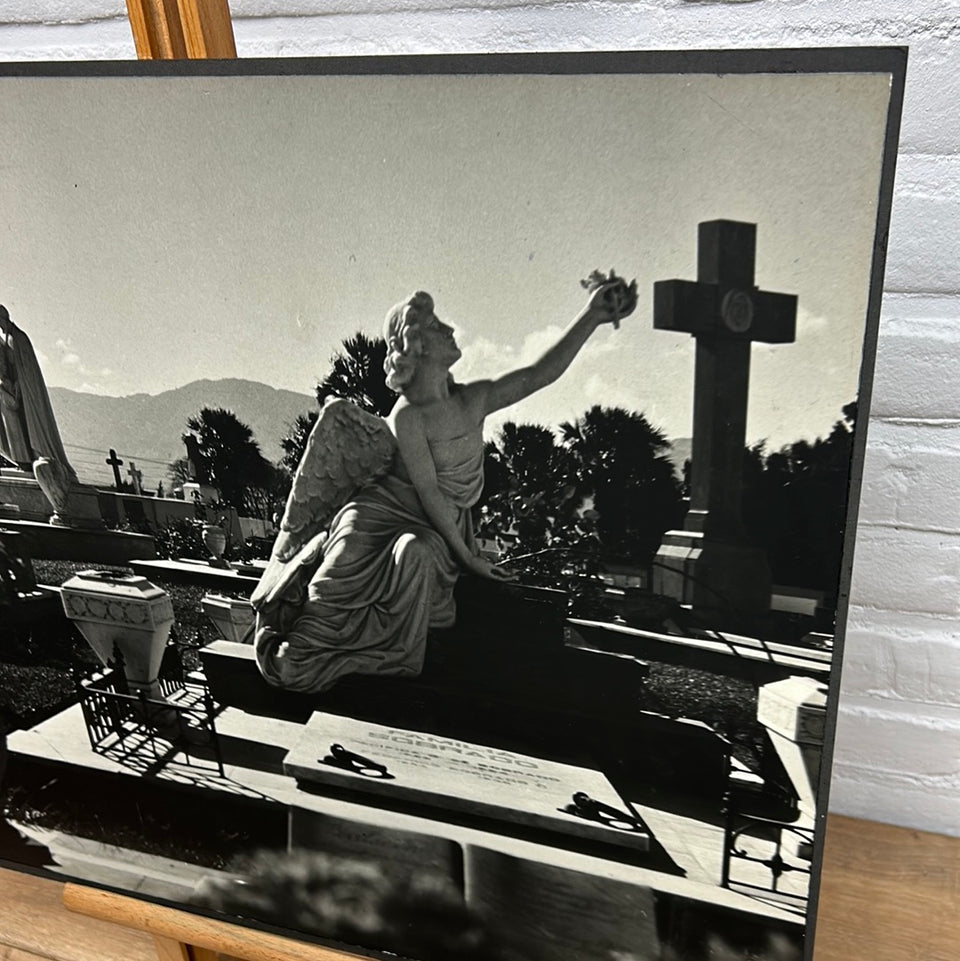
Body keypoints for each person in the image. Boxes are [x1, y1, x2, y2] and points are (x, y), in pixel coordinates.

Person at [255, 281, 634, 693]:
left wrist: (593, 315)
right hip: (375, 519)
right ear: (416, 345)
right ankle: (306, 651)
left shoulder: (472, 400)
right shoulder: (407, 418)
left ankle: (388, 658)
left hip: (432, 532)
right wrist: (471, 559)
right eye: (437, 326)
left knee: (415, 552)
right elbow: (431, 494)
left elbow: (539, 374)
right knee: (323, 608)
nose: (450, 329)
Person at [0, 304, 77, 480]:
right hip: (16, 392)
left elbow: (28, 371)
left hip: (28, 393)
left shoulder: (18, 339)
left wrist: (20, 385)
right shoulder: (7, 339)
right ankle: (26, 461)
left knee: (35, 428)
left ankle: (41, 457)